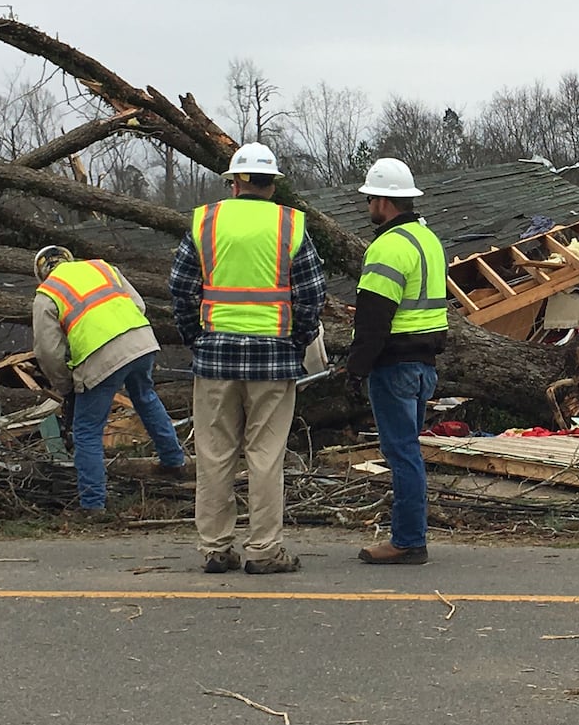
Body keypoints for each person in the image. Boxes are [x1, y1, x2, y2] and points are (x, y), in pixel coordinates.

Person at [169, 142, 325, 575]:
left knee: (215, 453)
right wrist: (298, 341)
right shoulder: (290, 225)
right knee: (265, 455)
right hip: (274, 358)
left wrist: (196, 338)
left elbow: (181, 286)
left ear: (234, 182)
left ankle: (215, 548)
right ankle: (263, 550)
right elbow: (311, 293)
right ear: (272, 184)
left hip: (215, 356)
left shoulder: (207, 221)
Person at [32, 245, 188, 516]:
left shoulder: (47, 293)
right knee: (146, 398)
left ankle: (92, 504)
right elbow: (138, 305)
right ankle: (174, 461)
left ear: (41, 272)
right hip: (140, 341)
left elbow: (48, 351)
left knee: (87, 430)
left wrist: (65, 385)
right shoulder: (102, 267)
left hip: (100, 355)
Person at [348, 158, 448, 565]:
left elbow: (374, 317)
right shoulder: (429, 240)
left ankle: (408, 540)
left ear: (385, 202)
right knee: (410, 451)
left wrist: (355, 368)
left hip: (395, 365)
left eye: (370, 198)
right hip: (424, 364)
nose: (368, 205)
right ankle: (411, 536)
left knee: (402, 453)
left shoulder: (388, 246)